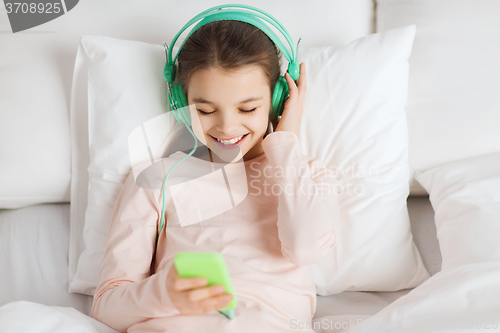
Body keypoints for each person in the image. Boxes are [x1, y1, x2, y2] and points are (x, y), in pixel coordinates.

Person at [91, 19, 340, 333]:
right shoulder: (157, 179)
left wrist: (286, 142)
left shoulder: (307, 175)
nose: (226, 127)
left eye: (247, 109)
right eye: (205, 111)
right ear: (181, 103)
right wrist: (164, 294)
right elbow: (106, 307)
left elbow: (306, 248)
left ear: (277, 101)